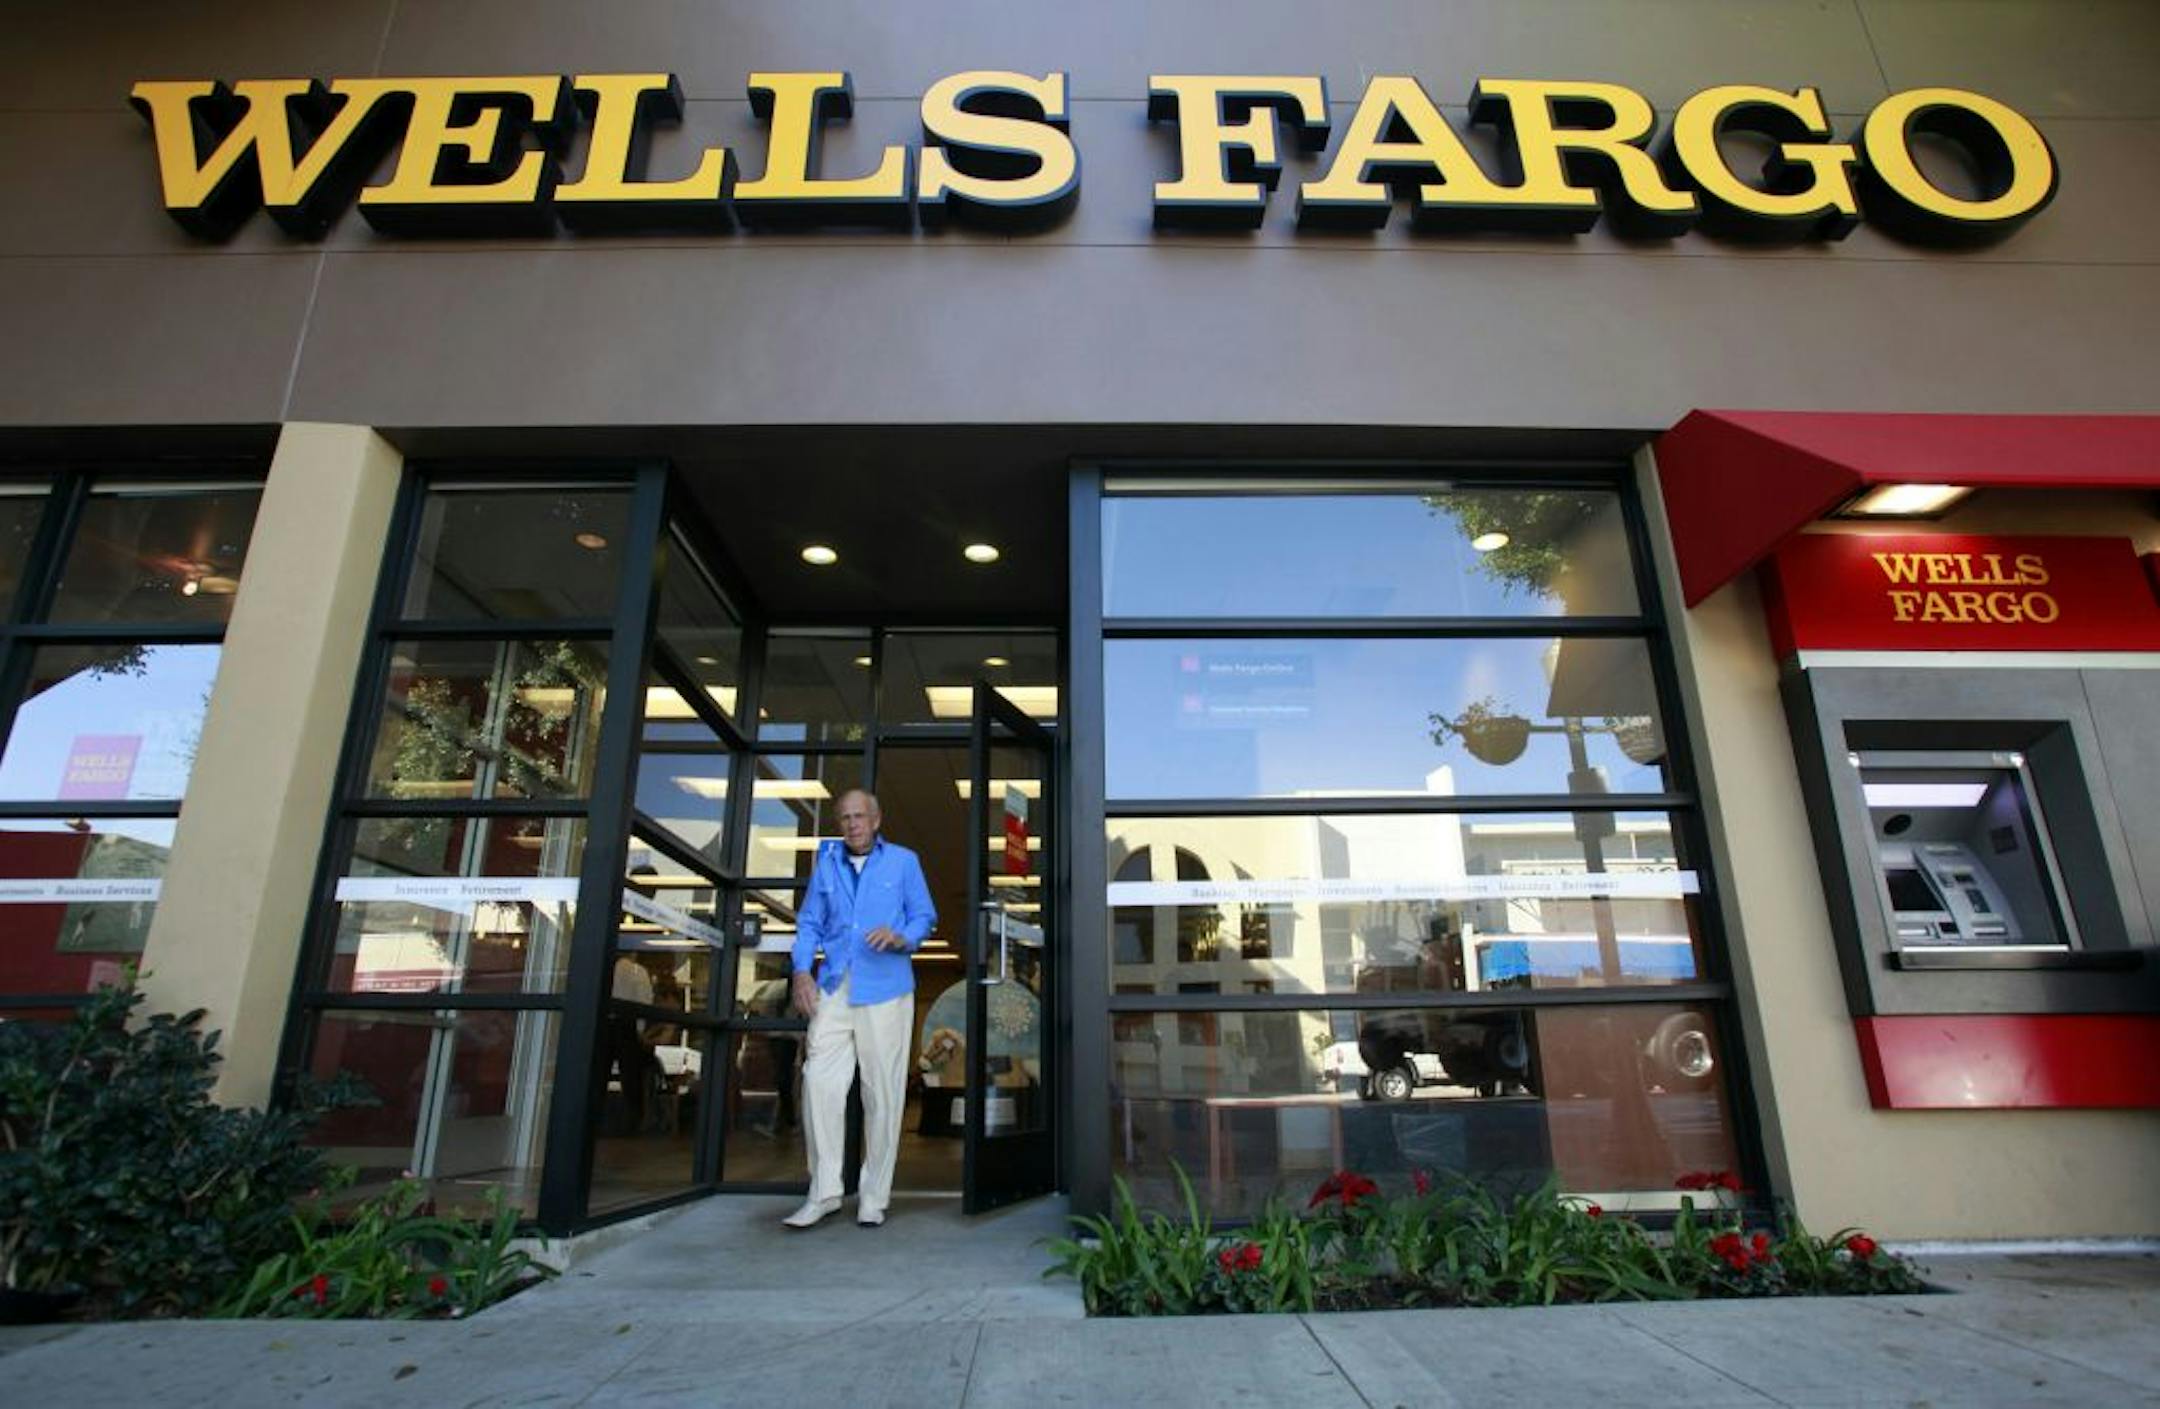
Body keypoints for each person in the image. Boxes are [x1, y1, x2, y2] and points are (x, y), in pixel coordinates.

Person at [782, 788, 936, 1229]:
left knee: (882, 1094)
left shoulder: (903, 862)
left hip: (885, 987)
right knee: (818, 1083)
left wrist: (901, 935)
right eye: (845, 817)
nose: (852, 824)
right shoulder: (826, 861)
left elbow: (924, 916)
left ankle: (874, 1197)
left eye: (859, 816)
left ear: (877, 819)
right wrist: (801, 971)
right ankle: (825, 1191)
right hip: (834, 984)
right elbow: (809, 922)